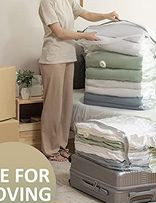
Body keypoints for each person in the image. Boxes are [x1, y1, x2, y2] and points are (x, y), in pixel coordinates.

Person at [39, 0, 120, 161]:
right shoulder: (47, 3)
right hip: (53, 59)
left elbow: (87, 14)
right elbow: (59, 33)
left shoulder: (68, 1)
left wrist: (106, 16)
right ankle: (50, 150)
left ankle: (61, 146)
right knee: (53, 106)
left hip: (68, 57)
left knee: (65, 106)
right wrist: (85, 35)